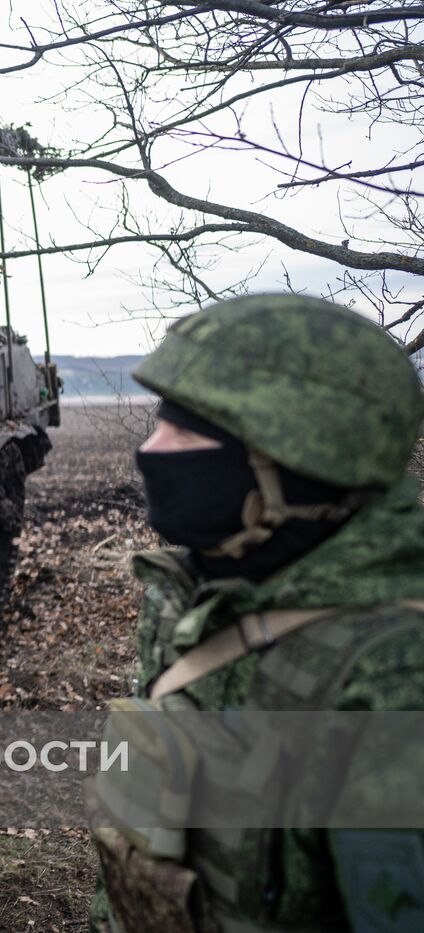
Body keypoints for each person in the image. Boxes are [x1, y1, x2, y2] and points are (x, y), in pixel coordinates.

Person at [91, 294, 424, 932]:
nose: (152, 450)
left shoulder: (391, 681)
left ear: (293, 461)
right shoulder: (196, 598)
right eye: (161, 421)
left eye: (187, 430)